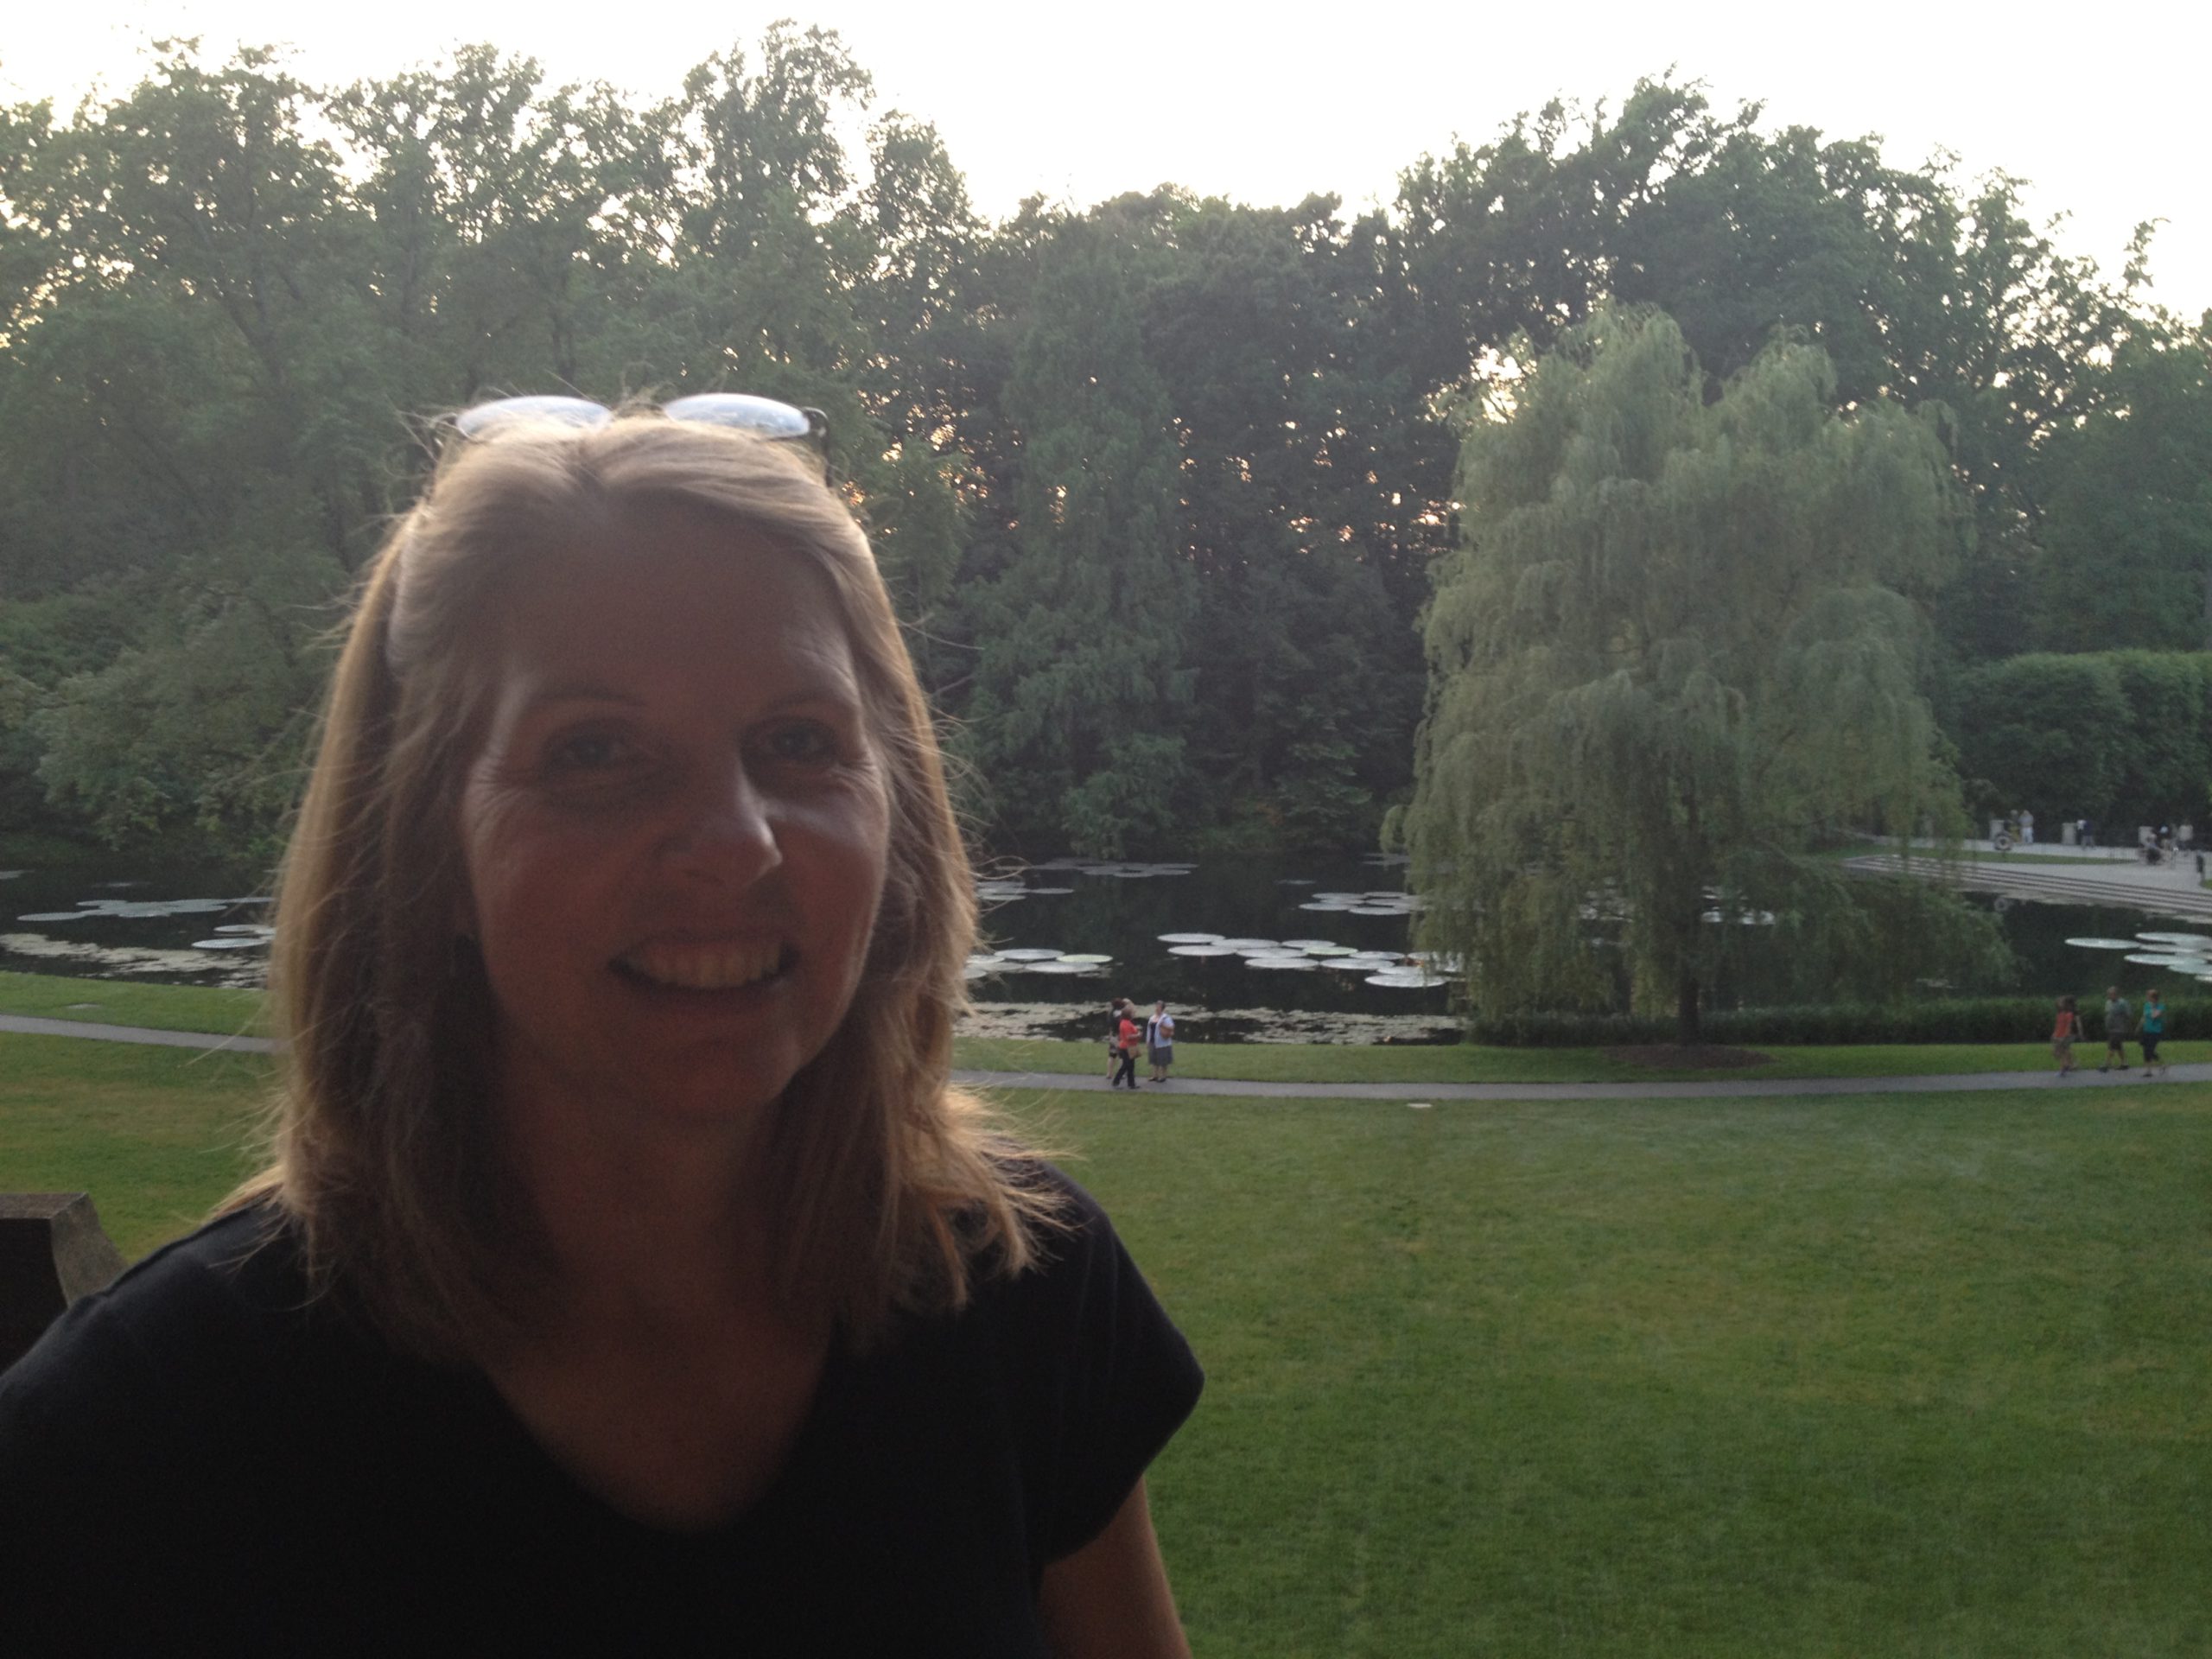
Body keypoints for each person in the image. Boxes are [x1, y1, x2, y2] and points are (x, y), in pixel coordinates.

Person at [0, 404, 1202, 1653]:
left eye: (799, 741)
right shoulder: (133, 1441)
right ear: (424, 844)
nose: (736, 843)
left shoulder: (1023, 1292)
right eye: (594, 752)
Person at [2100, 985, 2133, 1072]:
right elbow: (2107, 1014)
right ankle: (2124, 1063)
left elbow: (2129, 1015)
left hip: (2119, 1029)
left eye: (2111, 994)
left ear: (2117, 994)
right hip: (2111, 1028)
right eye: (2108, 994)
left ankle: (2106, 1064)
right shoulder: (2108, 1003)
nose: (2109, 996)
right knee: (2118, 1046)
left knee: (2112, 1046)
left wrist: (2126, 1025)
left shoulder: (2123, 1003)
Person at [1111, 1000, 1142, 1090]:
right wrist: (1138, 1035)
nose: (1133, 1014)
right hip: (1126, 1047)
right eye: (1132, 1013)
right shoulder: (1126, 1024)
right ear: (1128, 1015)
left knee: (1130, 1066)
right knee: (1126, 1065)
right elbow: (1128, 1036)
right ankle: (1116, 1081)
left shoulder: (1126, 1022)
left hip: (1128, 1046)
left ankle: (1131, 1084)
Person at [2050, 995, 2084, 1077]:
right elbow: (2058, 1026)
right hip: (2059, 1036)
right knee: (2059, 1052)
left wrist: (2065, 1036)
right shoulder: (2059, 1014)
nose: (2059, 1004)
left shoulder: (2069, 1014)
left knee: (2063, 1052)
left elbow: (2069, 1026)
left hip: (2065, 1036)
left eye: (2061, 1002)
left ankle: (2064, 1068)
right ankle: (2069, 1065)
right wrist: (2055, 1034)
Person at [2139, 989, 2168, 1077]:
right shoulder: (2146, 1005)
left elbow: (2154, 1016)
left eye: (2149, 996)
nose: (2147, 997)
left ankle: (2148, 1071)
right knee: (2146, 1050)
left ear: (2154, 998)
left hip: (2155, 1032)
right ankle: (2162, 1064)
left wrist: (2153, 1007)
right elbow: (2144, 1016)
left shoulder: (2160, 1007)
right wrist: (2139, 1026)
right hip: (2146, 1030)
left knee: (2150, 1050)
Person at [1146, 1001, 1176, 1084]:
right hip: (1153, 1041)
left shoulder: (1166, 1018)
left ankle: (1163, 1076)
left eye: (1159, 1006)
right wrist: (1147, 1040)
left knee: (1163, 1060)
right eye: (1156, 1006)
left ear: (1162, 1008)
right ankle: (1155, 1075)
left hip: (1162, 1042)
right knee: (1154, 1059)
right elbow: (1149, 1030)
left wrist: (1162, 1025)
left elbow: (1171, 1027)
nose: (1157, 1008)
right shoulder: (1152, 1018)